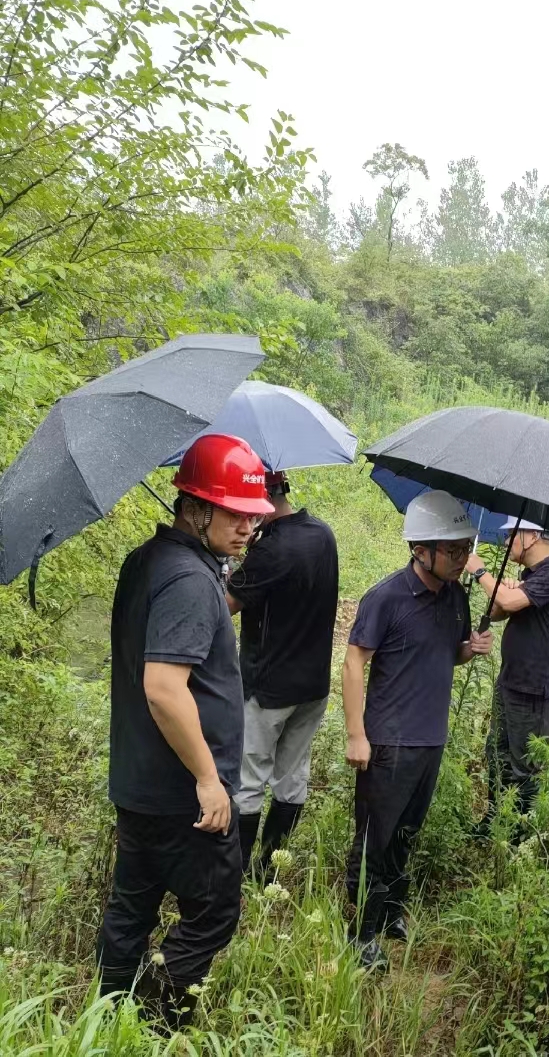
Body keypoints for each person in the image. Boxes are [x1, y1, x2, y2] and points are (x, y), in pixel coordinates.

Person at [96, 434, 275, 1030]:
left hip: (139, 780)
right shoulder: (191, 580)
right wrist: (207, 778)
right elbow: (163, 687)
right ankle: (156, 1022)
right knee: (216, 910)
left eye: (253, 514)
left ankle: (108, 1023)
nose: (247, 526)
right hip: (183, 794)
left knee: (131, 909)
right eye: (234, 513)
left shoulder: (146, 560)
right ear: (195, 508)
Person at [341, 490, 494, 970]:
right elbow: (353, 662)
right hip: (389, 739)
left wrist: (471, 649)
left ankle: (390, 910)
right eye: (453, 549)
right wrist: (356, 734)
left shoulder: (456, 597)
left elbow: (448, 653)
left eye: (466, 548)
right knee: (375, 836)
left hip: (431, 737)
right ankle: (360, 933)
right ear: (420, 549)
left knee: (406, 832)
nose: (462, 558)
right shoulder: (386, 597)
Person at [226, 471, 339, 875]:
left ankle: (237, 871)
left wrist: (230, 564)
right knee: (293, 777)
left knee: (249, 778)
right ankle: (268, 868)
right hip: (313, 685)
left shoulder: (271, 550)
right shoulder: (322, 534)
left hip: (268, 688)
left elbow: (225, 605)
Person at [467, 518, 549, 826]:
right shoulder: (532, 576)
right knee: (497, 753)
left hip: (534, 688)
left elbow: (509, 601)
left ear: (531, 536)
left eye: (510, 535)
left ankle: (520, 834)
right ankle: (493, 822)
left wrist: (480, 571)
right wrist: (505, 589)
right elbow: (497, 611)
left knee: (525, 765)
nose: (505, 542)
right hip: (511, 681)